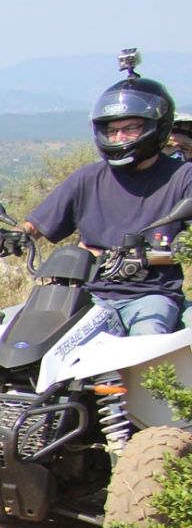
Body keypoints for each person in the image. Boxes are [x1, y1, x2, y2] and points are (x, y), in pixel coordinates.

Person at [19, 66, 192, 336]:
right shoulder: (88, 178)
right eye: (112, 131)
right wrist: (14, 236)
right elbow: (37, 224)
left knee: (147, 344)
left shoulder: (182, 177)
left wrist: (171, 248)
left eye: (130, 129)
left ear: (155, 126)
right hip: (87, 294)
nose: (119, 138)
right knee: (22, 334)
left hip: (149, 296)